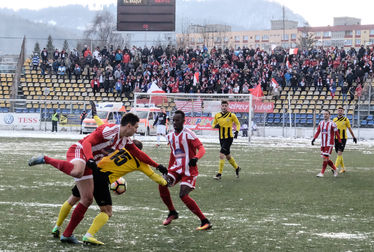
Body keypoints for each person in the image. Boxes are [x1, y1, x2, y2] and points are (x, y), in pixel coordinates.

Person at [28, 112, 166, 244]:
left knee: (87, 199)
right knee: (77, 171)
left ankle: (67, 235)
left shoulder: (125, 140)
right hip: (80, 151)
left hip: (90, 161)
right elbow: (87, 142)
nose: (137, 130)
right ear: (129, 126)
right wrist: (90, 159)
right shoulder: (110, 130)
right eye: (136, 127)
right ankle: (46, 159)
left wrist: (157, 165)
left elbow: (139, 154)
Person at [52, 139, 168, 245]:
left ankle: (57, 227)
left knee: (73, 199)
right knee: (107, 211)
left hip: (91, 172)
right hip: (101, 179)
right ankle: (89, 235)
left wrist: (96, 117)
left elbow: (102, 127)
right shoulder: (140, 162)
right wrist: (165, 183)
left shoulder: (118, 148)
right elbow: (153, 175)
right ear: (139, 152)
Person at [158, 110, 212, 230]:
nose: (175, 122)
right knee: (162, 183)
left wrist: (196, 158)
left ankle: (205, 221)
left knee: (183, 195)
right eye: (174, 120)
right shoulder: (170, 136)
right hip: (176, 169)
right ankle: (172, 212)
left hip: (189, 170)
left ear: (183, 121)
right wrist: (169, 169)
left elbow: (201, 148)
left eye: (178, 120)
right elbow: (173, 153)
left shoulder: (189, 134)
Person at [212, 100, 241, 180]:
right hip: (221, 138)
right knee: (227, 156)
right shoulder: (217, 115)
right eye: (223, 106)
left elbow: (238, 123)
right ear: (221, 106)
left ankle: (219, 174)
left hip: (229, 138)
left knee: (221, 154)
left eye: (225, 106)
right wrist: (215, 126)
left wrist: (237, 131)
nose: (224, 107)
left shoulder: (232, 115)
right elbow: (213, 124)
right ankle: (237, 167)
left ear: (228, 107)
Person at [311, 110, 342, 177]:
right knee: (326, 159)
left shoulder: (332, 123)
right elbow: (318, 132)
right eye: (324, 114)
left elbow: (337, 133)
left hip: (329, 143)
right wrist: (314, 139)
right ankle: (335, 169)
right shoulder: (321, 123)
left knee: (325, 158)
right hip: (323, 144)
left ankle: (322, 173)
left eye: (326, 114)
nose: (325, 115)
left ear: (329, 115)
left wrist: (339, 141)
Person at [333, 107, 357, 173]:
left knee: (339, 152)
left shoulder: (346, 120)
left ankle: (334, 168)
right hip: (336, 139)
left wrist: (354, 137)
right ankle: (343, 168)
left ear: (343, 112)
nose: (340, 112)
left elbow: (349, 129)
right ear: (337, 111)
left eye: (341, 111)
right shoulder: (334, 119)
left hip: (343, 139)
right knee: (339, 154)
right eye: (339, 110)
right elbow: (332, 130)